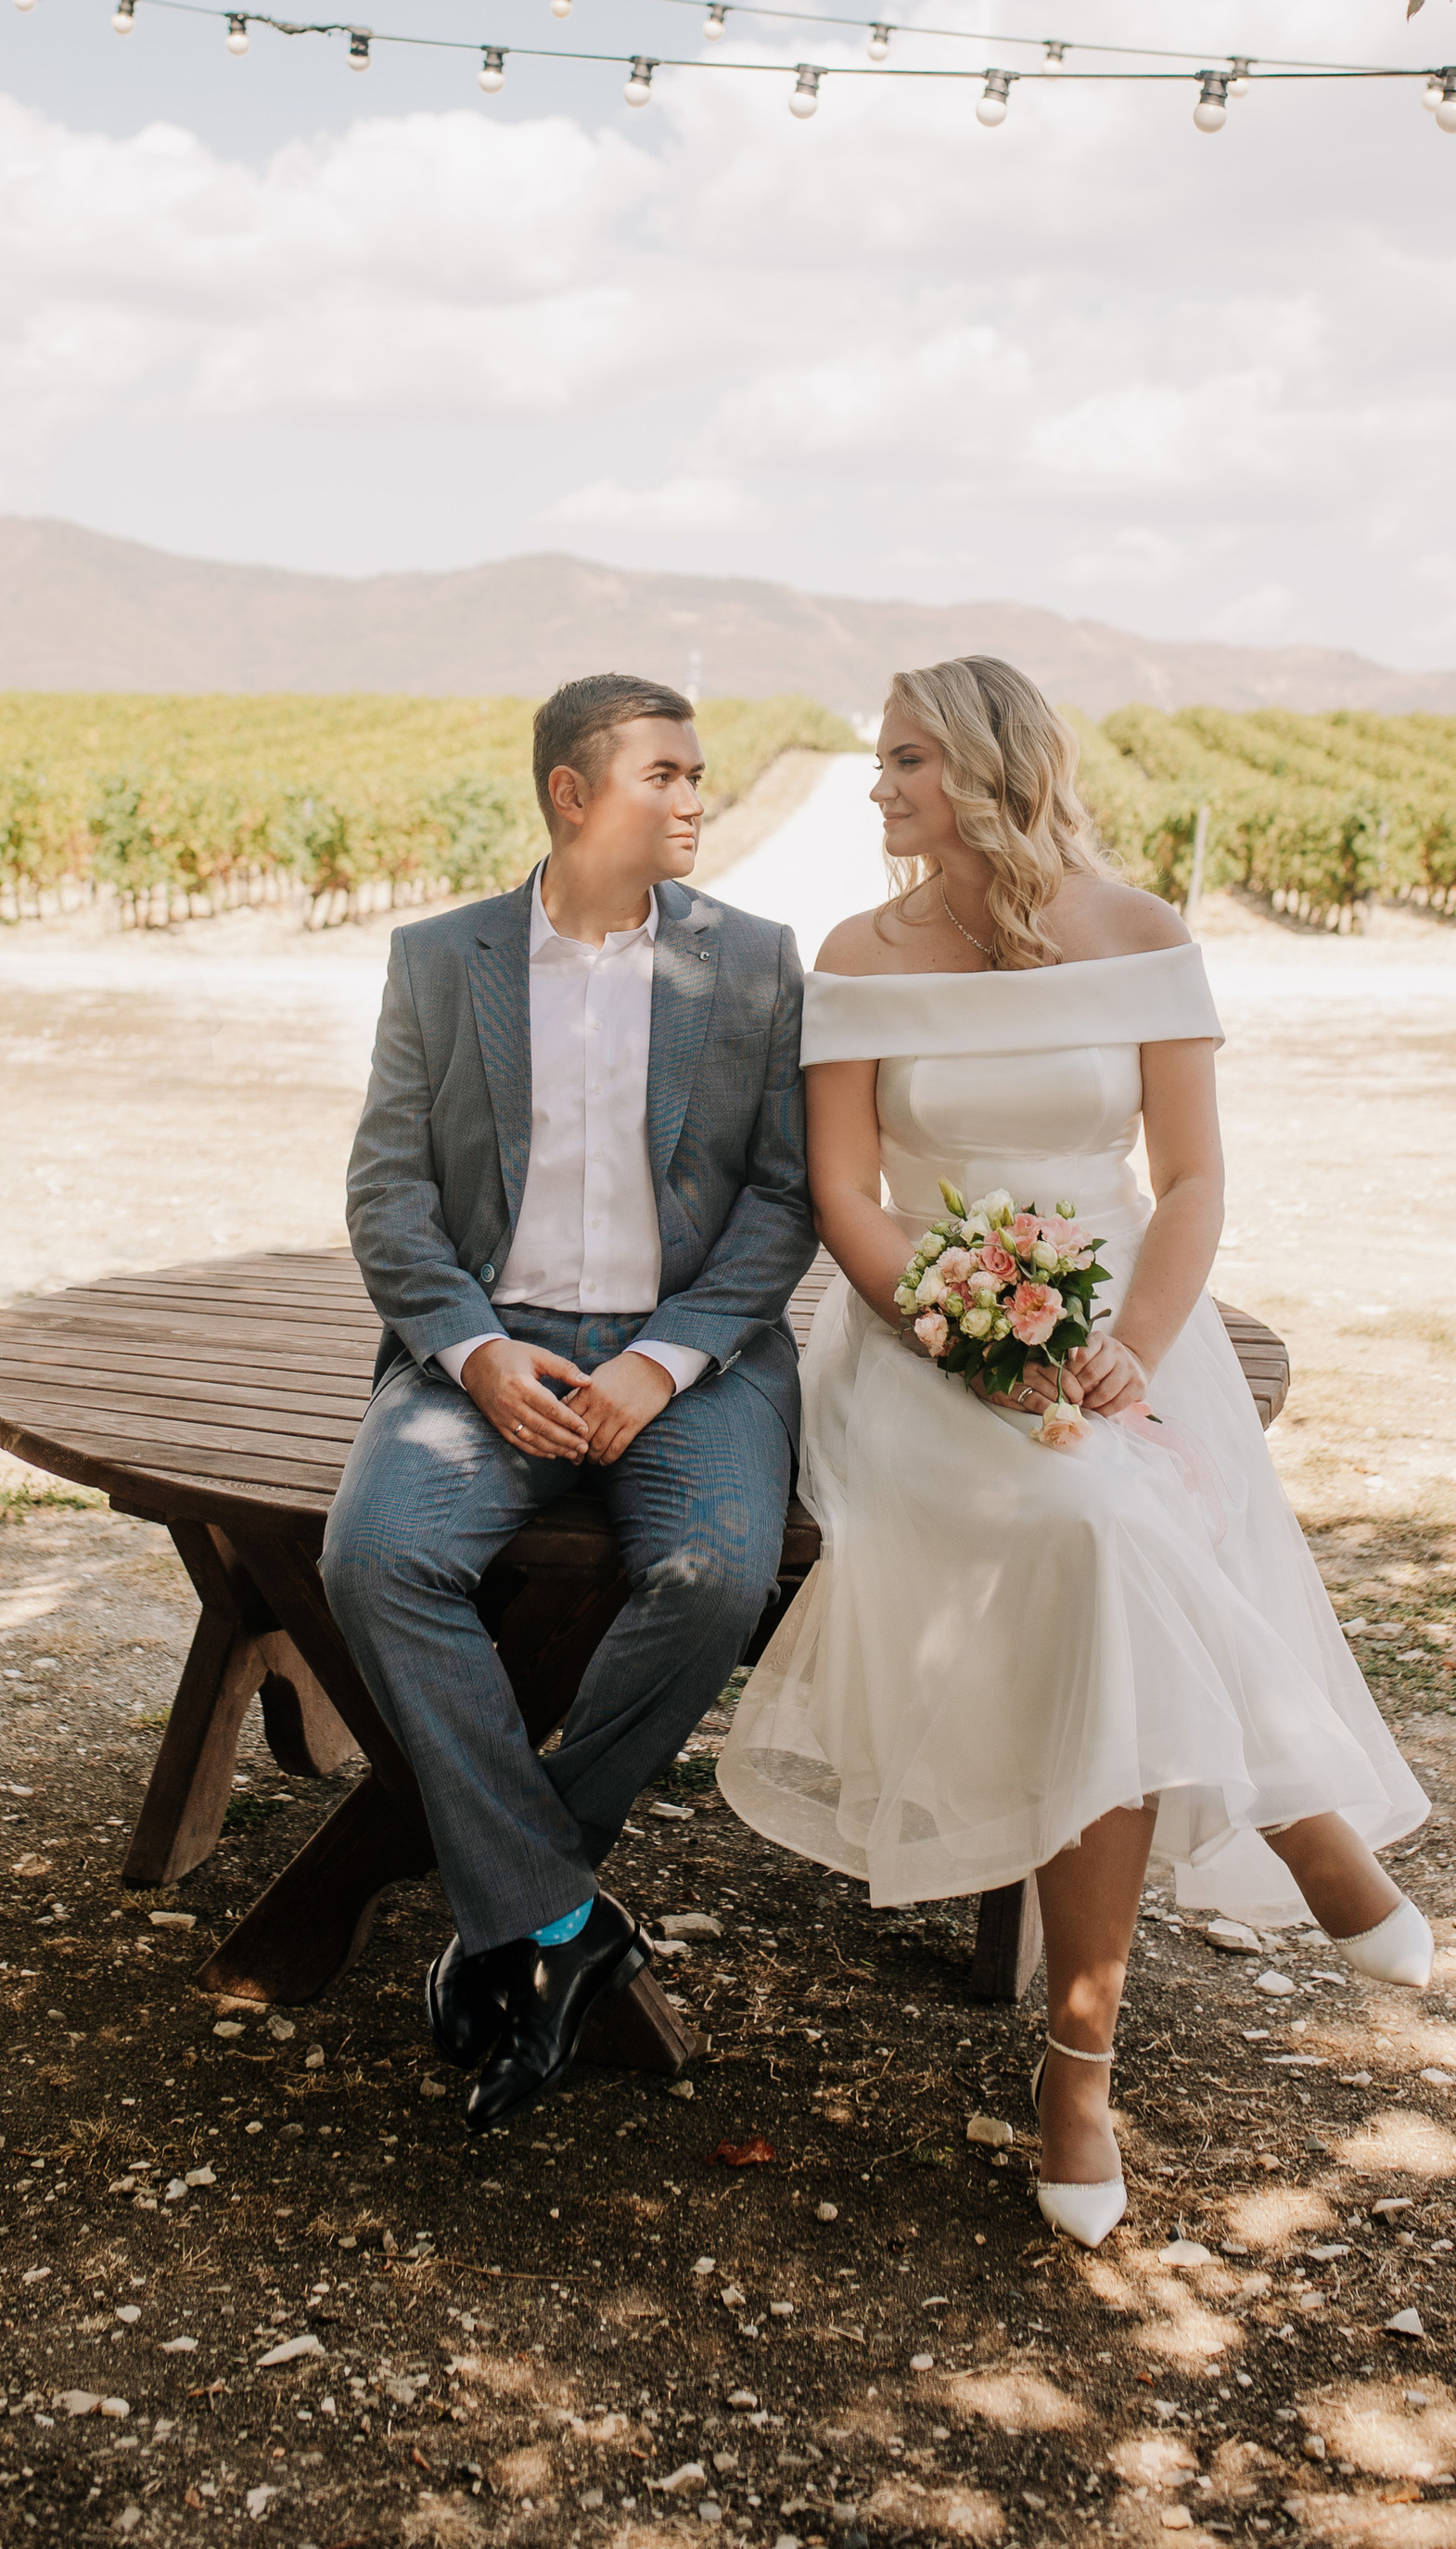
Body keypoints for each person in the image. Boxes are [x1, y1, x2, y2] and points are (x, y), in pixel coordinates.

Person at [717, 657, 1431, 2248]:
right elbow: (849, 1200)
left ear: (982, 770)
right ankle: (1304, 1824)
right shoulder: (858, 953)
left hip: (1124, 1326)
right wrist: (970, 1334)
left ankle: (1078, 2063)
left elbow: (1188, 1184)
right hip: (919, 1338)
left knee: (1105, 1523)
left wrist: (1132, 1345)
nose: (878, 785)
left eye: (903, 758)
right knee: (1094, 1532)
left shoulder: (1144, 939)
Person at [327, 672, 815, 2133]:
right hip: (491, 1348)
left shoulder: (755, 960)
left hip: (688, 1355)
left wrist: (663, 1362)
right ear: (571, 791)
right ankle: (559, 1922)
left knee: (717, 1570)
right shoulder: (441, 958)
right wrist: (471, 1352)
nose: (694, 797)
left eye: (697, 773)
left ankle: (522, 1899)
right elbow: (388, 1191)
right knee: (375, 1558)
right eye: (665, 773)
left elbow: (782, 1203)